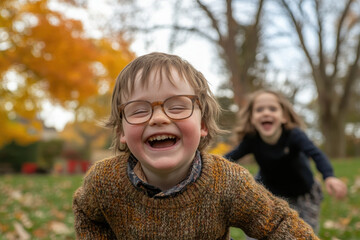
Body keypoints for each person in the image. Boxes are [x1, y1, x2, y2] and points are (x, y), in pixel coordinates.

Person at [72, 52, 319, 239]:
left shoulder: (228, 182)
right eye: (138, 110)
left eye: (178, 106)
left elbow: (277, 223)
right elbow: (86, 212)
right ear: (121, 131)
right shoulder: (103, 182)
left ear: (203, 125)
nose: (159, 118)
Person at [224, 89, 347, 236]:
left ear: (284, 117)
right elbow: (229, 158)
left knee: (304, 234)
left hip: (302, 193)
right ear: (252, 118)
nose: (266, 113)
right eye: (259, 109)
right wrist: (209, 165)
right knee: (258, 232)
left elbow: (316, 154)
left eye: (272, 109)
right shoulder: (251, 140)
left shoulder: (294, 135)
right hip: (270, 194)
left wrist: (329, 176)